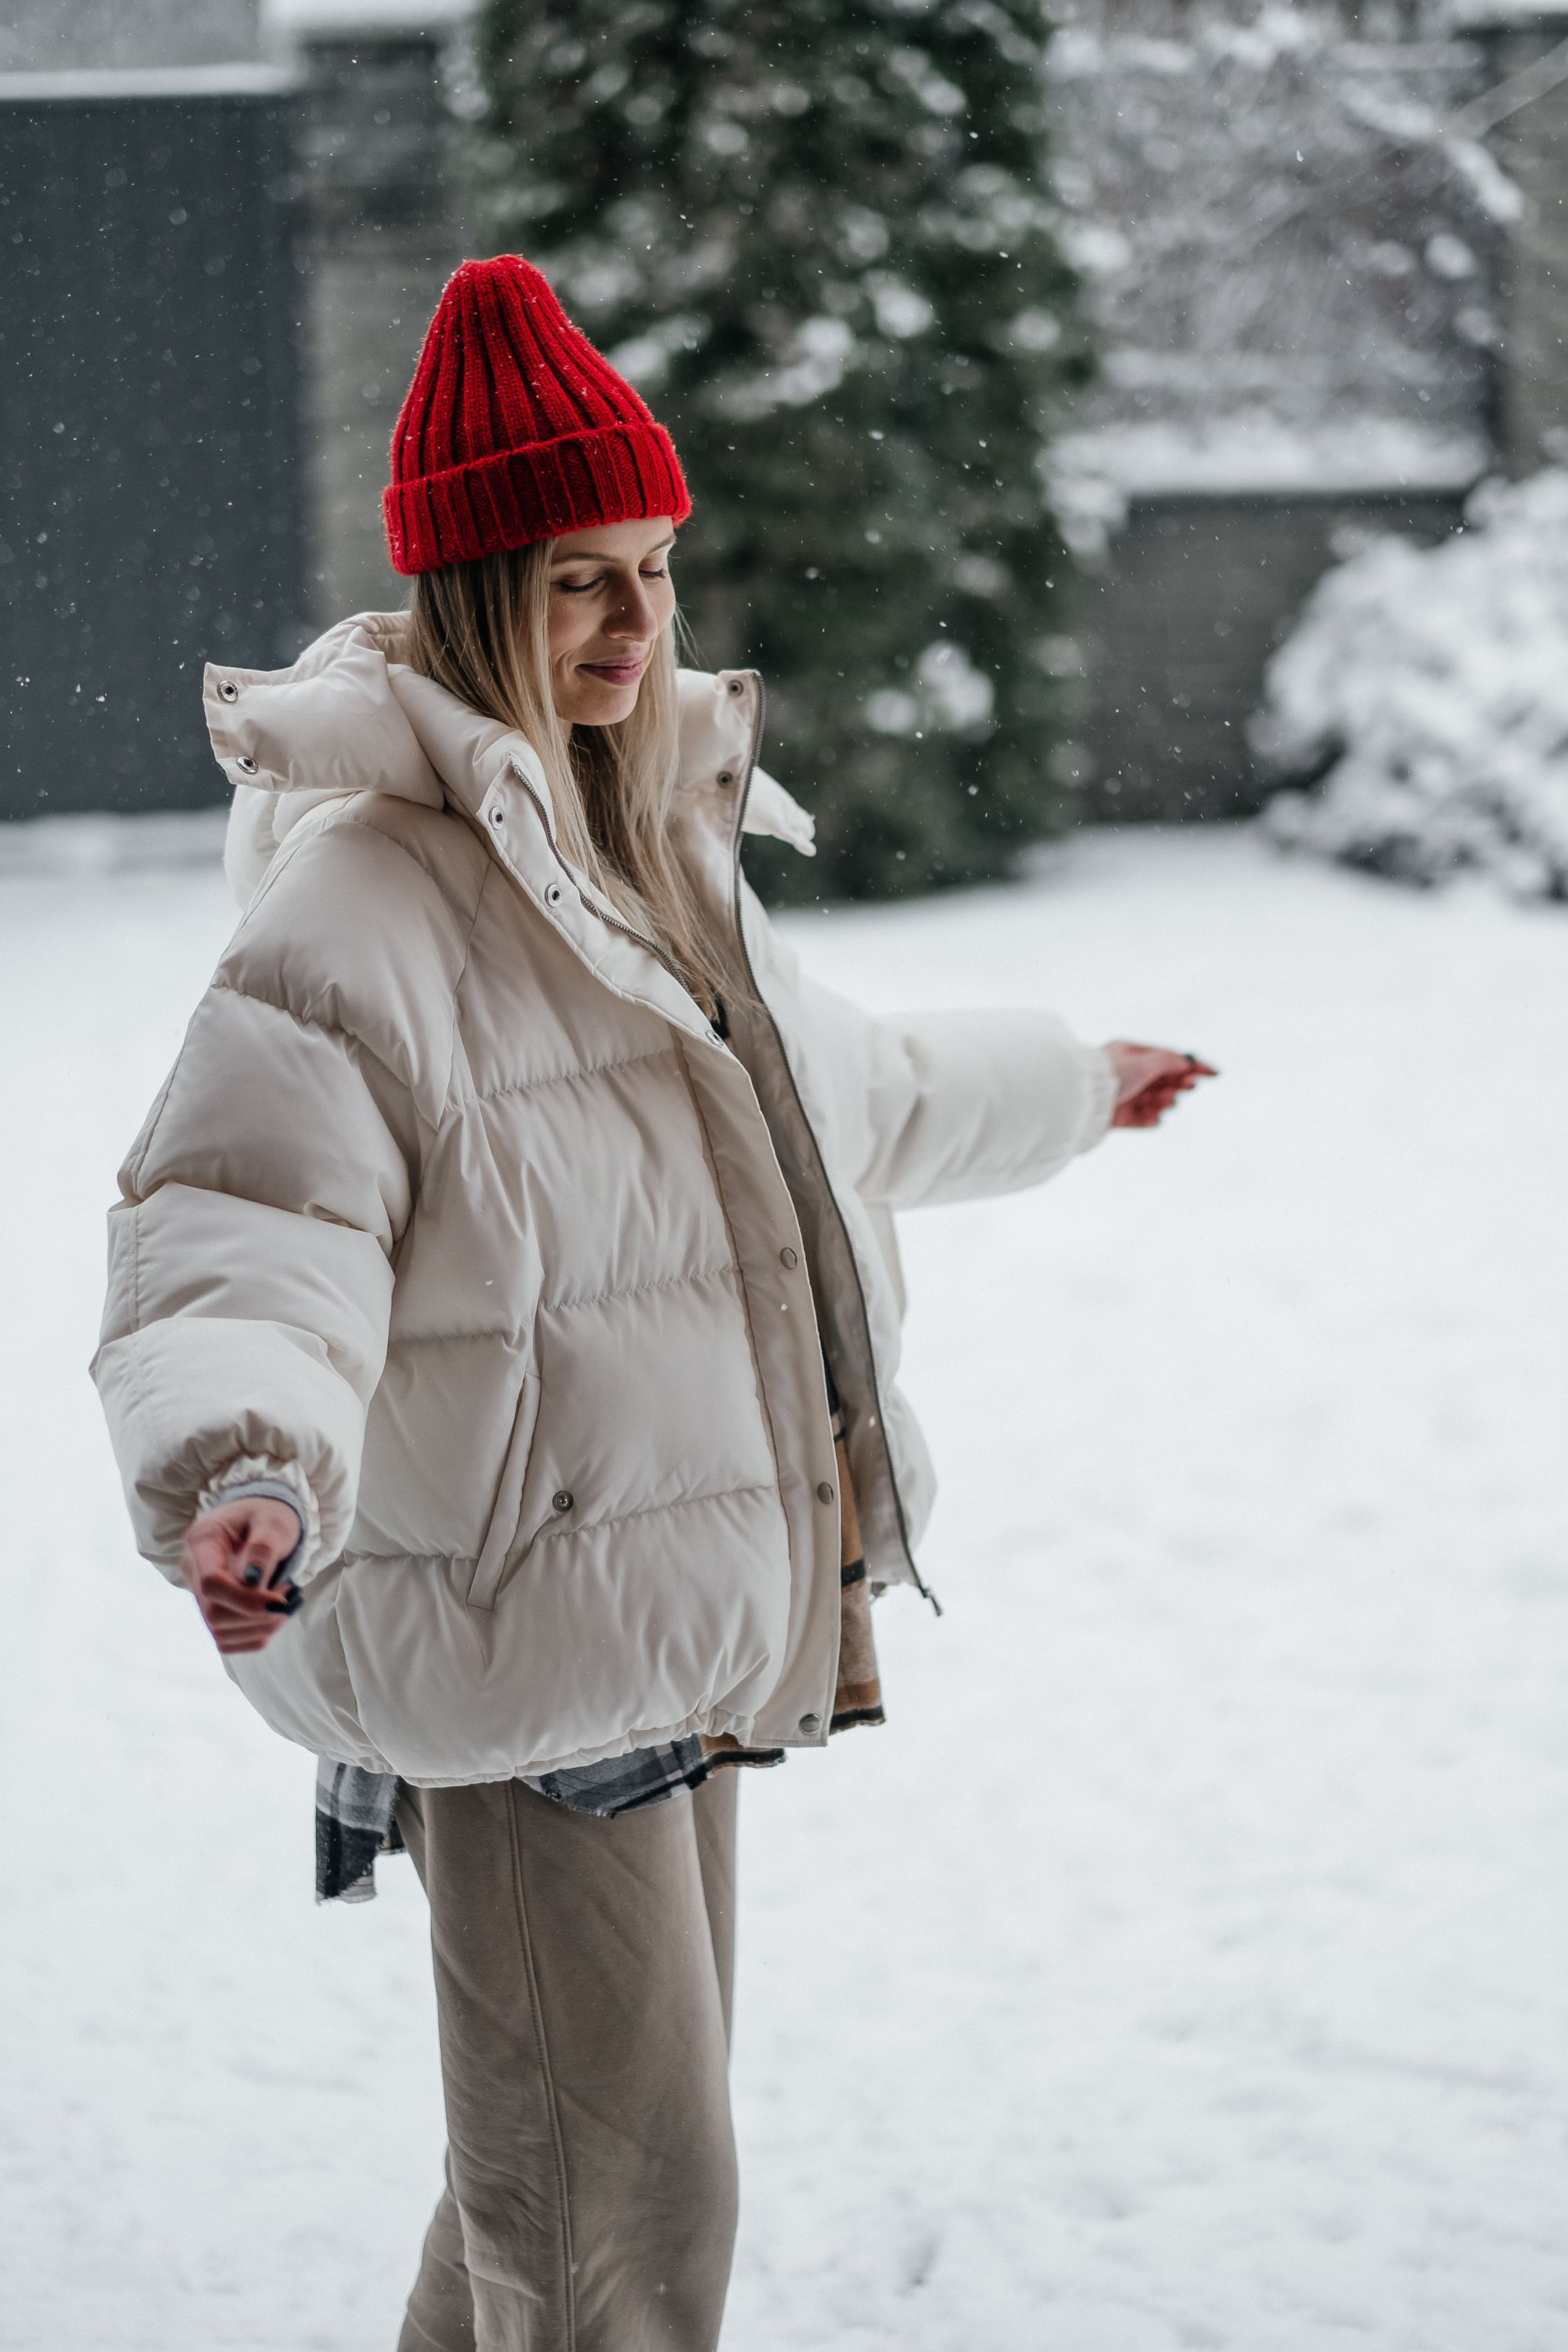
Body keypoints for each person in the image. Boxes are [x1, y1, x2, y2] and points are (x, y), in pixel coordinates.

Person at [92, 254, 1214, 2352]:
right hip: (519, 1631)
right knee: (623, 2225)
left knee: (561, 2195)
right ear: (471, 597)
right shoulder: (367, 898)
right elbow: (249, 1229)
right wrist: (244, 1466)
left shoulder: (652, 851)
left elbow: (844, 1094)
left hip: (668, 1611)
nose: (632, 625)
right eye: (578, 580)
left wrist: (1071, 1082)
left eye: (653, 573)